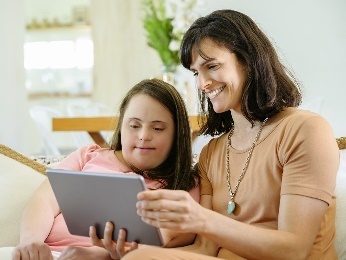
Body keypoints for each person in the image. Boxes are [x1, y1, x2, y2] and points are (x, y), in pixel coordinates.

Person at [99, 9, 340, 259]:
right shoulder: (212, 153)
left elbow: (294, 250)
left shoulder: (305, 130)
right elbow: (204, 249)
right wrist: (111, 255)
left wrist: (201, 219)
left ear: (248, 60)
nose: (202, 84)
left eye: (211, 66)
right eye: (196, 73)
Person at [11, 78, 200, 260]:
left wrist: (103, 256)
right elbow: (45, 200)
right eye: (134, 125)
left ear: (177, 134)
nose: (143, 135)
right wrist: (30, 242)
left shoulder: (184, 185)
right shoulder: (88, 155)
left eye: (157, 128)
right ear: (122, 126)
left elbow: (162, 239)